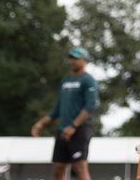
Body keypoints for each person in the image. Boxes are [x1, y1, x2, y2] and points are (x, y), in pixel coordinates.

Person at [30, 47, 99, 180]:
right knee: (58, 168)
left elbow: (90, 107)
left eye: (76, 58)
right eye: (71, 58)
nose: (72, 61)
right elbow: (58, 108)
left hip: (80, 129)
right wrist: (40, 123)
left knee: (80, 167)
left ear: (84, 60)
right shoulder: (65, 81)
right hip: (62, 130)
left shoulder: (88, 80)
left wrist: (73, 126)